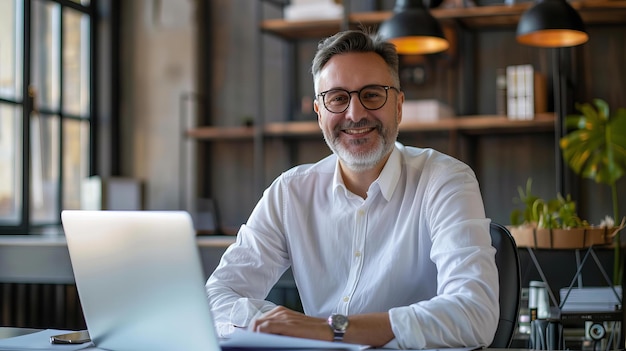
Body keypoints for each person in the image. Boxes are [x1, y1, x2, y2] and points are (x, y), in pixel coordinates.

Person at [205, 28, 499, 349]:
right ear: (320, 113)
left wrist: (331, 329)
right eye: (337, 98)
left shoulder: (445, 180)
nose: (355, 114)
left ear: (398, 106)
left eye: (372, 95)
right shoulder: (290, 193)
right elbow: (215, 297)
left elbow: (475, 314)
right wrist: (279, 324)